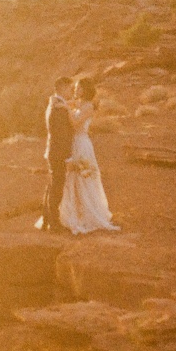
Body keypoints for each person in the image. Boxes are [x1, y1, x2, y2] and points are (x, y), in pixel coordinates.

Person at [59, 76, 120, 234]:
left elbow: (75, 124)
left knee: (84, 177)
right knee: (72, 177)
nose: (75, 90)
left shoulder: (89, 107)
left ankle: (89, 214)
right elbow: (65, 102)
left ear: (85, 89)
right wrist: (63, 103)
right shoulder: (79, 103)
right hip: (74, 144)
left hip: (82, 144)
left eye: (79, 87)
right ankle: (76, 212)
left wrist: (66, 109)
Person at [37, 76, 75, 232]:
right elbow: (61, 133)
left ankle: (47, 219)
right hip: (58, 152)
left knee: (52, 185)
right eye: (69, 88)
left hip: (53, 151)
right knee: (57, 187)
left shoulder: (57, 103)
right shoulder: (57, 106)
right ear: (62, 87)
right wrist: (68, 154)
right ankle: (54, 223)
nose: (71, 91)